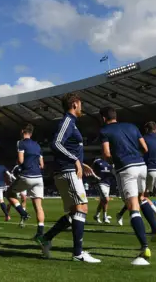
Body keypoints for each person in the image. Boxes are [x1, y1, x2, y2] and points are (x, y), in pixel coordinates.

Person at [35, 93, 100, 263]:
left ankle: (46, 238)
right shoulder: (67, 121)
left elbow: (67, 147)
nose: (82, 107)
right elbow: (56, 143)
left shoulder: (72, 123)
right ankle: (78, 254)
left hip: (69, 169)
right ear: (75, 104)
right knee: (82, 209)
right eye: (81, 104)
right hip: (67, 171)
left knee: (74, 213)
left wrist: (80, 162)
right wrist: (75, 160)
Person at [100, 106, 156, 264]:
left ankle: (144, 247)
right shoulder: (132, 126)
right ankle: (155, 231)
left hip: (125, 168)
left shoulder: (105, 131)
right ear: (116, 116)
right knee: (142, 198)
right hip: (141, 165)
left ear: (103, 118)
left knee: (133, 206)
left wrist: (116, 161)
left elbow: (107, 154)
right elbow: (145, 148)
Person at [7, 123, 45, 237]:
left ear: (23, 131)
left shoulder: (21, 143)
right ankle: (40, 233)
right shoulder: (38, 145)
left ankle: (23, 213)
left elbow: (21, 160)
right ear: (32, 133)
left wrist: (19, 165)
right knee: (38, 206)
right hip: (38, 177)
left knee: (9, 193)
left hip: (27, 175)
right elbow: (42, 165)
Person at [91, 157, 114, 224]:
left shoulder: (111, 162)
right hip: (100, 182)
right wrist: (95, 177)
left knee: (103, 200)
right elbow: (91, 169)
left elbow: (113, 172)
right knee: (106, 199)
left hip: (108, 183)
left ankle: (97, 215)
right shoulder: (97, 161)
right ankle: (105, 217)